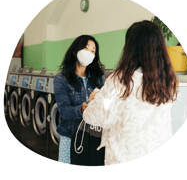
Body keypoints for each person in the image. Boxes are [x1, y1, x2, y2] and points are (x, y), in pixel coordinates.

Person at [82, 20, 179, 166]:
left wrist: (91, 104)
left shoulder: (120, 80)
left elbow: (97, 116)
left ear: (130, 47)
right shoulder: (169, 81)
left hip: (124, 156)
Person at [53, 35, 105, 164]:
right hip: (70, 135)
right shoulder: (61, 79)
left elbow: (105, 107)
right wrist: (82, 107)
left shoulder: (98, 78)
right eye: (86, 49)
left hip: (93, 136)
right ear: (75, 51)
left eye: (93, 51)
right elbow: (64, 111)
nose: (89, 53)